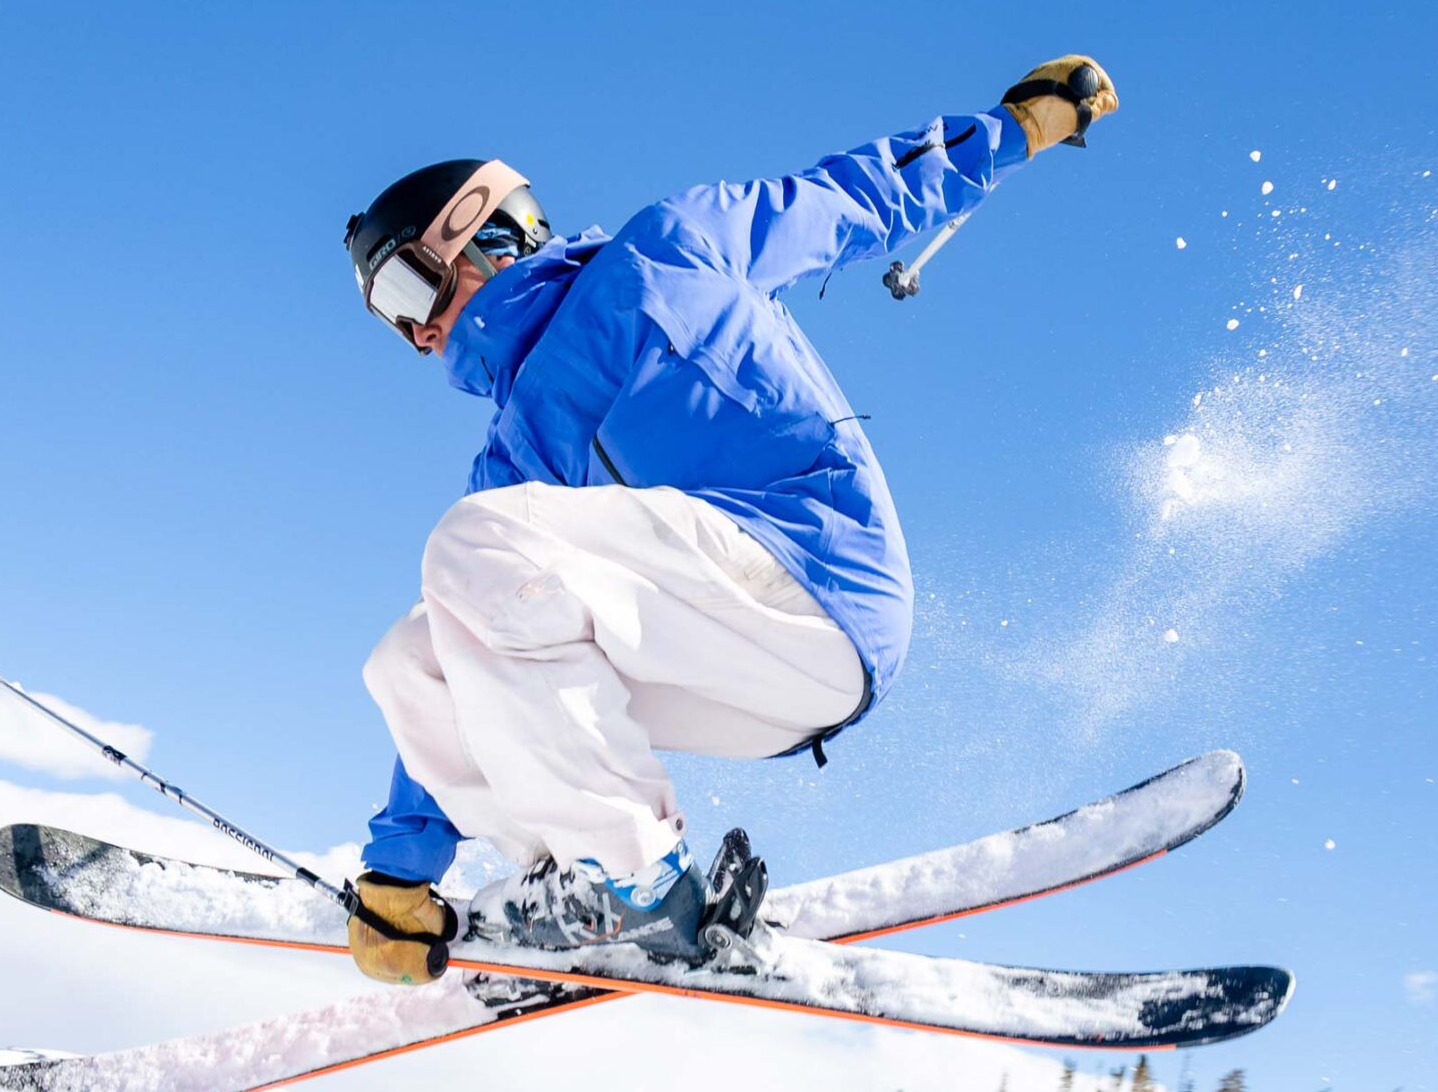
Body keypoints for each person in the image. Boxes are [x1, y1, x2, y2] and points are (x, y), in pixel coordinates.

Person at [337, 57, 1120, 984]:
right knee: (418, 653)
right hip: (733, 671)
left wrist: (1016, 129)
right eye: (390, 319)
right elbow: (467, 662)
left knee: (472, 547)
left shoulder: (672, 248)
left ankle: (635, 882)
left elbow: (855, 194)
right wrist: (397, 871)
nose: (416, 335)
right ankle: (567, 883)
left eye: (407, 294)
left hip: (816, 579)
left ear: (483, 235)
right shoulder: (517, 449)